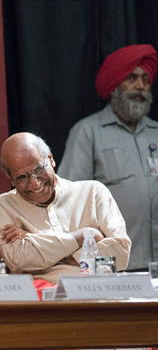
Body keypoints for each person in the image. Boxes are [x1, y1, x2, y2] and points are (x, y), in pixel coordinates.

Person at [59, 44, 158, 271]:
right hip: (114, 266)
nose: (140, 87)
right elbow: (68, 199)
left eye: (145, 79)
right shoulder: (88, 132)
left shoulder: (156, 133)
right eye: (131, 78)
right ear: (114, 85)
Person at [0, 132, 131, 283]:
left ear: (50, 159)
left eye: (39, 169)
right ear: (9, 178)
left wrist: (35, 240)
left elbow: (120, 251)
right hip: (45, 301)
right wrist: (82, 236)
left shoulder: (93, 191)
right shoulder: (3, 205)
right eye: (21, 177)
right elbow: (18, 259)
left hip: (98, 292)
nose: (35, 184)